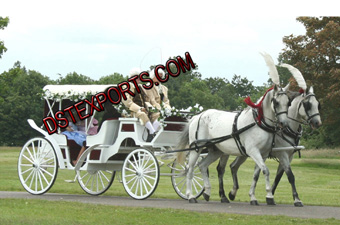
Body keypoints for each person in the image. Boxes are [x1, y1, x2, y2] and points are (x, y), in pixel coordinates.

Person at [122, 68, 157, 141]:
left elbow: (147, 100)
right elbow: (128, 102)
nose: (139, 79)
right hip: (133, 111)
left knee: (157, 114)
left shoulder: (141, 87)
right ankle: (152, 132)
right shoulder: (127, 87)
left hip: (144, 109)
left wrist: (152, 109)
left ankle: (154, 132)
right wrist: (139, 108)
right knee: (142, 114)